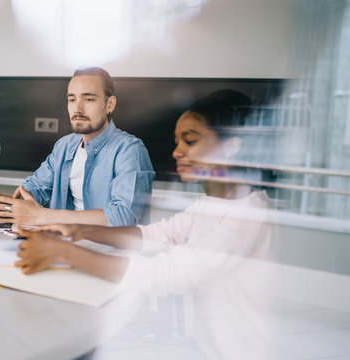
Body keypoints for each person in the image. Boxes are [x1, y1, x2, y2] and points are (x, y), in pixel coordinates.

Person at [14, 89, 274, 358]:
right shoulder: (210, 204)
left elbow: (166, 273)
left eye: (190, 141)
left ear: (232, 146)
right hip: (204, 346)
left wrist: (63, 251)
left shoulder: (249, 215)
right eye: (177, 141)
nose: (176, 152)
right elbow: (157, 235)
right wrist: (82, 230)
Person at [0, 67, 154, 226]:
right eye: (72, 99)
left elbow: (124, 217)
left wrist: (42, 215)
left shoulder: (130, 150)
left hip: (110, 253)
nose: (77, 108)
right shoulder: (65, 145)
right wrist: (15, 204)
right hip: (64, 242)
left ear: (109, 104)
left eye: (88, 99)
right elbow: (36, 186)